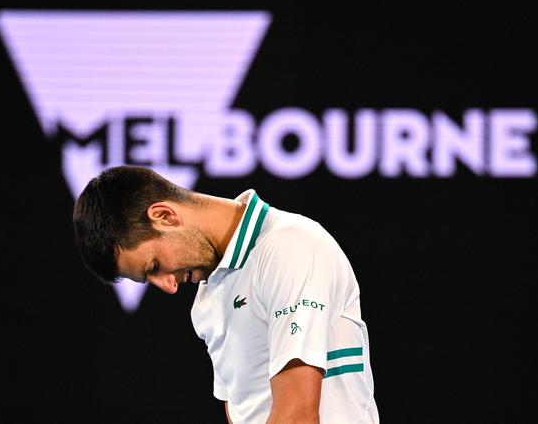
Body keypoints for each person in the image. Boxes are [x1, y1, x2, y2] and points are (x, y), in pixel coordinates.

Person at [73, 166, 379, 424]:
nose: (168, 286)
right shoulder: (209, 296)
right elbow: (243, 411)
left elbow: (297, 415)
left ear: (165, 215)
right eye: (149, 279)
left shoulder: (289, 248)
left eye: (154, 265)